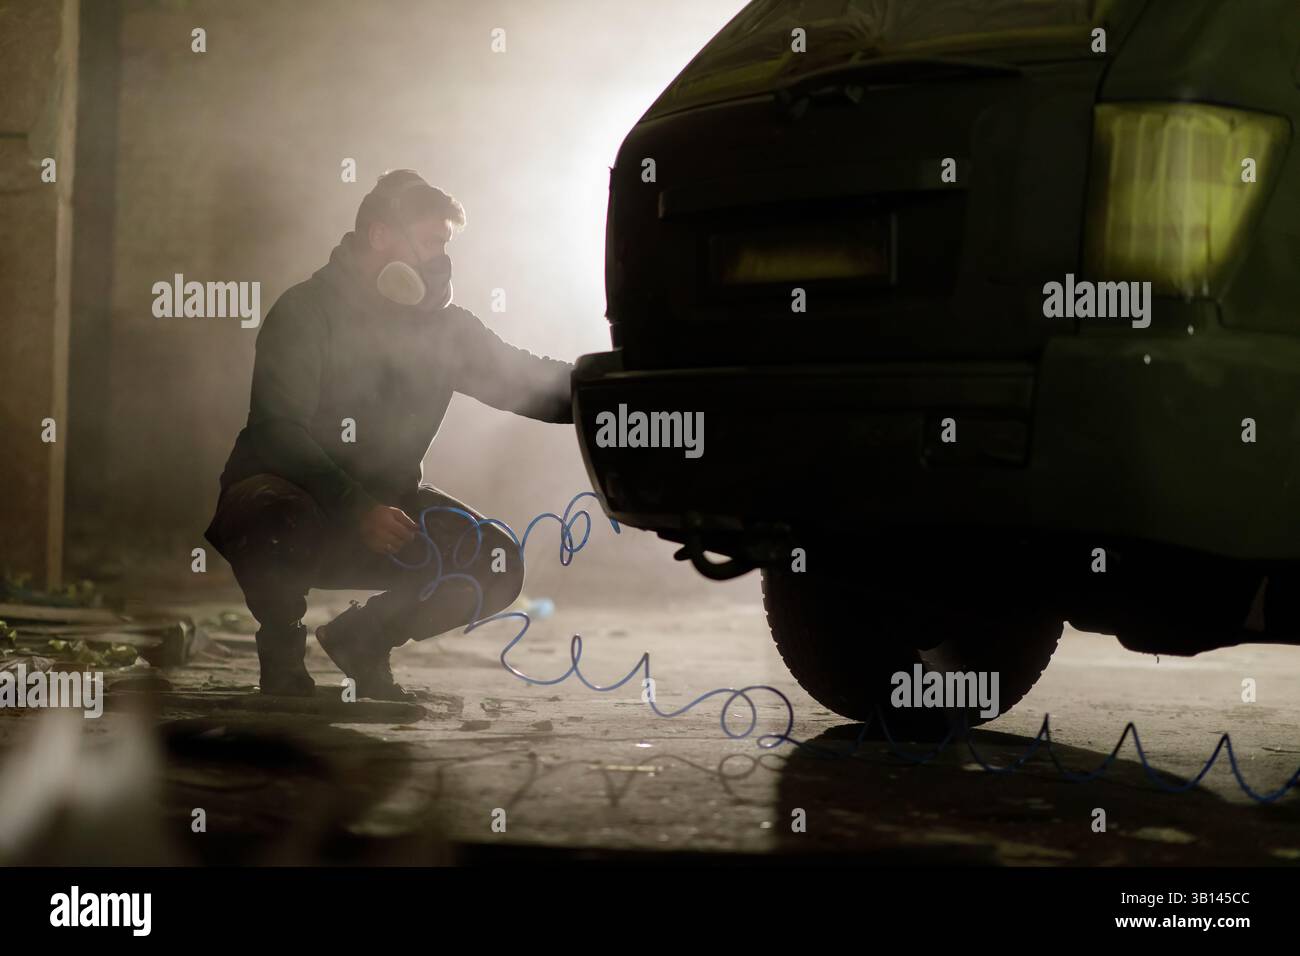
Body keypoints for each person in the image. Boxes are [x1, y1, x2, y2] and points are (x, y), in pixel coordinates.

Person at [204, 169, 573, 700]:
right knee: (272, 516)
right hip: (289, 510)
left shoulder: (446, 331)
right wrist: (357, 507)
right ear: (380, 237)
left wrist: (616, 386)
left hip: (386, 514)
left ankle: (363, 639)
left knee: (496, 561)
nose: (440, 259)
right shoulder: (306, 312)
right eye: (429, 242)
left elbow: (529, 381)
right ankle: (282, 660)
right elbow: (277, 432)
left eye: (444, 244)